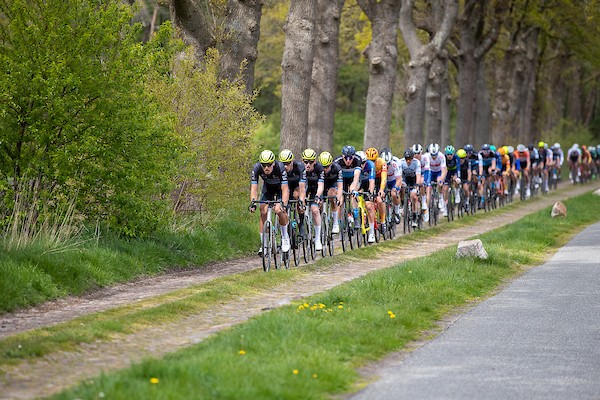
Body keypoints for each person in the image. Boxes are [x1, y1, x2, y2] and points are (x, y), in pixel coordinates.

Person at [250, 150, 290, 255]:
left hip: (280, 189)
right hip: (268, 188)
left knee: (279, 210)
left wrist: (284, 204)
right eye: (264, 165)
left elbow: (285, 189)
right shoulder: (257, 168)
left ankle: (285, 237)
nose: (266, 168)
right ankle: (264, 244)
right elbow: (254, 188)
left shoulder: (280, 167)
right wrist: (253, 203)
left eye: (268, 165)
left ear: (273, 163)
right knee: (262, 210)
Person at [278, 149, 307, 237]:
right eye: (283, 164)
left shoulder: (300, 167)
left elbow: (302, 187)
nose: (285, 166)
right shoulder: (278, 168)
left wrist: (301, 201)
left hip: (297, 186)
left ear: (292, 161)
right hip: (285, 187)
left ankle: (301, 223)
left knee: (297, 196)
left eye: (288, 163)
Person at [302, 148, 325, 251]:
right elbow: (301, 187)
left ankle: (317, 239)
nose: (308, 164)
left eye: (311, 162)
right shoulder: (300, 169)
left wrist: (317, 196)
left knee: (315, 210)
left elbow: (321, 185)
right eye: (306, 162)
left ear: (314, 161)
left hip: (316, 189)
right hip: (305, 189)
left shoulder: (319, 168)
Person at [334, 145, 362, 229]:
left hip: (353, 179)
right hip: (342, 180)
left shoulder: (358, 160)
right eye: (346, 158)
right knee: (340, 201)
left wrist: (353, 189)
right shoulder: (337, 161)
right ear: (342, 156)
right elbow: (338, 180)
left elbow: (356, 177)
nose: (348, 161)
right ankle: (339, 223)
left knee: (353, 195)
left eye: (350, 158)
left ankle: (356, 217)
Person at [319, 151, 343, 234]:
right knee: (319, 202)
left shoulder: (337, 168)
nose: (324, 169)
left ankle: (335, 222)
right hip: (322, 184)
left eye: (327, 167)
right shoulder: (318, 169)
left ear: (331, 164)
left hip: (333, 184)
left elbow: (340, 186)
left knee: (332, 195)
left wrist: (339, 197)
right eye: (323, 167)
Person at [366, 147, 388, 235]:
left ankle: (383, 222)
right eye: (370, 160)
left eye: (374, 160)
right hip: (370, 180)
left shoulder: (382, 162)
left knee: (379, 199)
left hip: (379, 180)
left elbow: (384, 178)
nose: (372, 162)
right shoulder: (365, 164)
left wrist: (382, 189)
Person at [358, 149, 377, 243]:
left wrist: (370, 192)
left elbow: (372, 181)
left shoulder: (370, 165)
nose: (361, 165)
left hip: (368, 184)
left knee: (369, 206)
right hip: (359, 184)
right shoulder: (354, 166)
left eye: (363, 163)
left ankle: (372, 232)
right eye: (359, 163)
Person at [399, 149, 422, 227]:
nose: (408, 161)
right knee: (401, 188)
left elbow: (418, 175)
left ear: (412, 158)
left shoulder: (416, 162)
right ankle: (403, 205)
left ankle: (414, 215)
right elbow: (399, 175)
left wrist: (417, 184)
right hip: (405, 179)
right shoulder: (401, 162)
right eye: (406, 159)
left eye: (410, 159)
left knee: (414, 196)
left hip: (413, 180)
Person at [380, 148, 403, 223]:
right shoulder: (379, 164)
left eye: (388, 164)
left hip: (394, 181)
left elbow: (399, 179)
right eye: (385, 164)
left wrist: (395, 188)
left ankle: (396, 211)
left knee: (393, 194)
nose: (387, 166)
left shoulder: (394, 164)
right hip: (384, 181)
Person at [411, 143, 429, 222]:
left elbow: (427, 170)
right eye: (414, 153)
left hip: (423, 173)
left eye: (418, 153)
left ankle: (424, 201)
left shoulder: (425, 158)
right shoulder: (412, 160)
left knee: (421, 182)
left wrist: (424, 180)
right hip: (414, 175)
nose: (416, 155)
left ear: (421, 152)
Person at [428, 143, 448, 216]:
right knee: (428, 188)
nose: (433, 157)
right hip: (430, 172)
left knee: (440, 181)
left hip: (439, 172)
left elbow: (444, 170)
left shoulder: (441, 156)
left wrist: (441, 180)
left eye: (435, 155)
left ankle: (440, 197)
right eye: (432, 155)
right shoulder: (426, 156)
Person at [443, 145, 461, 210]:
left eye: (451, 154)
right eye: (448, 154)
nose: (449, 156)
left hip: (454, 170)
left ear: (453, 153)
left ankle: (456, 193)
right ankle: (445, 204)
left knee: (456, 180)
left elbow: (458, 168)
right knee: (445, 188)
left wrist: (457, 176)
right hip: (447, 171)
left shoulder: (456, 158)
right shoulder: (444, 158)